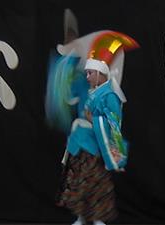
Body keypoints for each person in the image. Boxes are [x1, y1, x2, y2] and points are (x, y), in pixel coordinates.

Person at [46, 31, 139, 225]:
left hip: (97, 145)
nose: (87, 76)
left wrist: (95, 118)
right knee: (77, 182)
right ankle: (80, 218)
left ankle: (97, 219)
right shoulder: (82, 86)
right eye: (86, 72)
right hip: (79, 141)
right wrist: (70, 51)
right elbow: (67, 80)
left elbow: (115, 124)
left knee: (96, 184)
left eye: (90, 73)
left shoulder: (110, 96)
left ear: (101, 73)